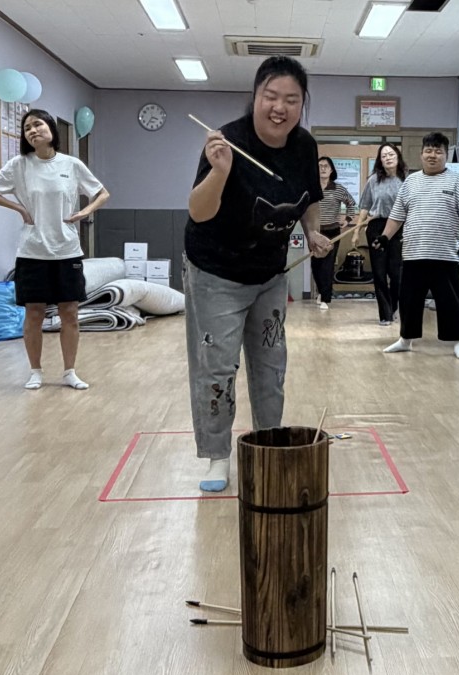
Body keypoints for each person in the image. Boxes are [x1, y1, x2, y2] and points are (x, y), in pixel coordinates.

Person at [184, 56, 331, 493]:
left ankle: (268, 443)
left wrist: (313, 231)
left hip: (269, 273)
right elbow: (198, 211)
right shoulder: (227, 141)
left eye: (292, 99)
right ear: (255, 96)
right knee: (217, 368)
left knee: (271, 364)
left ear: (303, 103)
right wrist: (220, 171)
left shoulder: (304, 146)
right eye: (271, 96)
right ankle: (217, 455)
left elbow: (310, 197)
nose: (279, 107)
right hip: (216, 273)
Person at [0, 108, 110, 391]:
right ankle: (35, 371)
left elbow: (102, 193)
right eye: (27, 128)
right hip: (32, 251)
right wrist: (18, 208)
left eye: (37, 124)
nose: (33, 130)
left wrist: (84, 212)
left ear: (51, 129)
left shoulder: (71, 164)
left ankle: (70, 372)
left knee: (70, 313)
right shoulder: (19, 165)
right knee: (34, 313)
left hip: (67, 250)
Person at [376, 132, 459, 359]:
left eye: (438, 151)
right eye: (428, 151)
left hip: (445, 254)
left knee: (450, 301)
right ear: (421, 154)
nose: (432, 155)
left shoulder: (457, 181)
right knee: (409, 300)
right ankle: (405, 339)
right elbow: (397, 215)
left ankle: (457, 342)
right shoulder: (410, 182)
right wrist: (384, 237)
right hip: (414, 253)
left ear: (446, 155)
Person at [353, 142, 407, 326]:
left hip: (399, 227)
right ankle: (385, 314)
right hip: (376, 227)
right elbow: (364, 207)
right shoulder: (374, 180)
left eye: (391, 154)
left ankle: (394, 306)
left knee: (396, 273)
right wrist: (356, 231)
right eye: (384, 156)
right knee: (379, 272)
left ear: (398, 156)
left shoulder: (406, 180)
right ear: (380, 161)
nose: (388, 158)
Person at [312, 156, 356, 310]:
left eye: (326, 166)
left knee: (327, 265)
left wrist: (348, 219)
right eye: (320, 166)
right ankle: (321, 291)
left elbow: (351, 203)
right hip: (315, 232)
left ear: (331, 170)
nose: (323, 168)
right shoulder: (312, 187)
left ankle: (326, 298)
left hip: (332, 231)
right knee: (316, 264)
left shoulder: (338, 189)